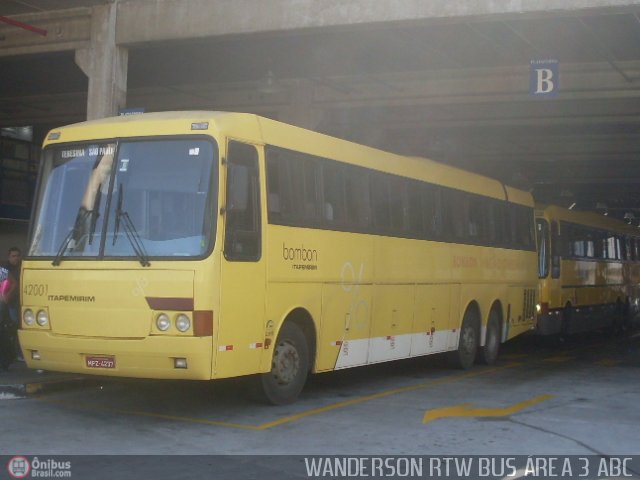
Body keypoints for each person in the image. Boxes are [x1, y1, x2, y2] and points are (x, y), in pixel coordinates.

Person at [0, 247, 22, 367]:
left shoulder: (18, 267)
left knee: (14, 326)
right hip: (7, 302)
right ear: (9, 257)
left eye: (17, 255)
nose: (16, 258)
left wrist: (5, 296)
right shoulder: (4, 268)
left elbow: (13, 284)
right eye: (13, 256)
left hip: (12, 302)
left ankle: (15, 353)